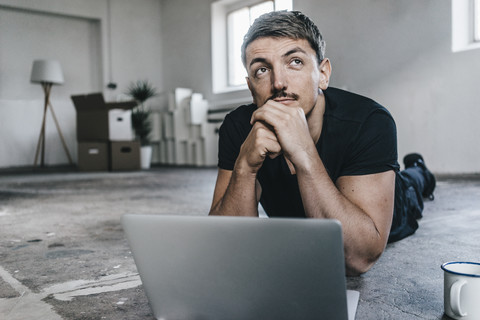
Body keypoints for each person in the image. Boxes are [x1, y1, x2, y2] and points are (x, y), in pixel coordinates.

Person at [209, 10, 435, 276]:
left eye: (294, 62)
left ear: (323, 73)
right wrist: (245, 167)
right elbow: (224, 246)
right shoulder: (238, 128)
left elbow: (357, 259)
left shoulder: (369, 121)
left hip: (390, 205)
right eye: (262, 69)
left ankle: (419, 170)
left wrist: (304, 153)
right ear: (250, 86)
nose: (278, 83)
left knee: (411, 186)